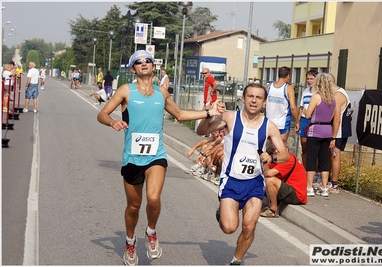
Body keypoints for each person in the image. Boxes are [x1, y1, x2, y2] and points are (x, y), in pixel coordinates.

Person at [96, 50, 225, 266]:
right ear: (133, 68)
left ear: (153, 67)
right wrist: (112, 122)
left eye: (148, 60)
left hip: (156, 155)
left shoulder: (162, 93)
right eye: (139, 61)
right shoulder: (126, 91)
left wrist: (209, 112)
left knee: (153, 198)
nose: (144, 63)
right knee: (134, 206)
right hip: (132, 157)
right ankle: (130, 241)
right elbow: (102, 114)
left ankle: (151, 232)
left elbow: (181, 115)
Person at [196, 83, 290, 265]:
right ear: (244, 98)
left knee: (249, 225)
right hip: (231, 180)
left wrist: (271, 158)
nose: (254, 100)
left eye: (258, 98)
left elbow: (285, 154)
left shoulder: (269, 126)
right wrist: (209, 113)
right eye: (250, 96)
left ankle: (236, 260)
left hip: (254, 182)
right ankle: (221, 213)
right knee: (230, 227)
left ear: (264, 103)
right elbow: (201, 131)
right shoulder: (230, 117)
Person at [304, 73, 337, 197]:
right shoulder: (333, 99)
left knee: (312, 158)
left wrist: (304, 110)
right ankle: (324, 187)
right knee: (324, 159)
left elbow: (308, 115)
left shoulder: (316, 97)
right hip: (327, 129)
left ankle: (309, 187)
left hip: (315, 129)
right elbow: (333, 116)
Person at [260, 139, 307, 218]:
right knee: (266, 180)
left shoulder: (289, 159)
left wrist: (264, 169)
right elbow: (267, 168)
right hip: (289, 189)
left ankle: (273, 209)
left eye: (278, 149)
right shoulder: (279, 159)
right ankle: (269, 205)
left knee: (270, 179)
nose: (275, 151)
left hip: (297, 194)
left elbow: (269, 173)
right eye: (274, 149)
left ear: (286, 149)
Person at [328, 73, 352, 194]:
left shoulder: (337, 96)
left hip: (339, 130)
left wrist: (333, 137)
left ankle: (334, 183)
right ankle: (329, 180)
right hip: (338, 129)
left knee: (335, 154)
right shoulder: (338, 92)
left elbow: (337, 118)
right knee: (331, 154)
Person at [265, 66, 300, 141]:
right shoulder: (288, 88)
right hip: (282, 124)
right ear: (288, 76)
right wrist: (298, 121)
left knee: (269, 148)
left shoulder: (268, 87)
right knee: (281, 148)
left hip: (269, 122)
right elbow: (293, 107)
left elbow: (263, 104)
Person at [297, 69, 318, 169]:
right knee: (304, 147)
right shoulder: (305, 91)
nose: (309, 81)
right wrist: (298, 122)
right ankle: (304, 170)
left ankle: (315, 171)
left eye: (311, 79)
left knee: (314, 149)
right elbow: (301, 107)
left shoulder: (318, 93)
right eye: (308, 79)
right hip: (304, 121)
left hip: (314, 122)